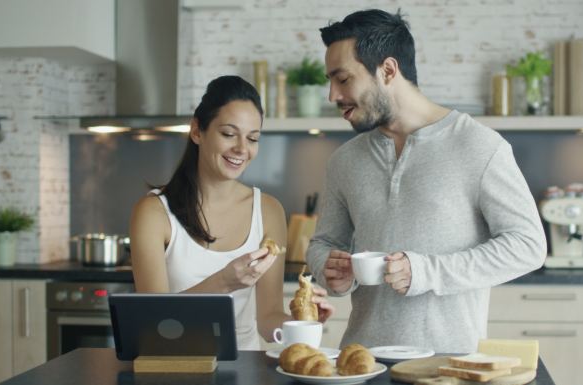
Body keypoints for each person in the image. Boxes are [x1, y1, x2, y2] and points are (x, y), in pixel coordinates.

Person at [305, 9, 547, 353]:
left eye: (343, 79)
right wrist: (329, 269)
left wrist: (426, 272)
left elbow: (528, 246)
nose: (332, 95)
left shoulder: (479, 146)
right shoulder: (344, 161)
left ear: (388, 70)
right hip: (360, 365)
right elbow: (323, 243)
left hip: (448, 366)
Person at [130, 75, 334, 350]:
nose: (242, 149)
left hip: (244, 370)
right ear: (197, 131)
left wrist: (302, 324)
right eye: (228, 134)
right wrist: (224, 282)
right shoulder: (153, 213)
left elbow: (267, 319)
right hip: (174, 367)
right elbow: (154, 322)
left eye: (253, 138)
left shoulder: (269, 211)